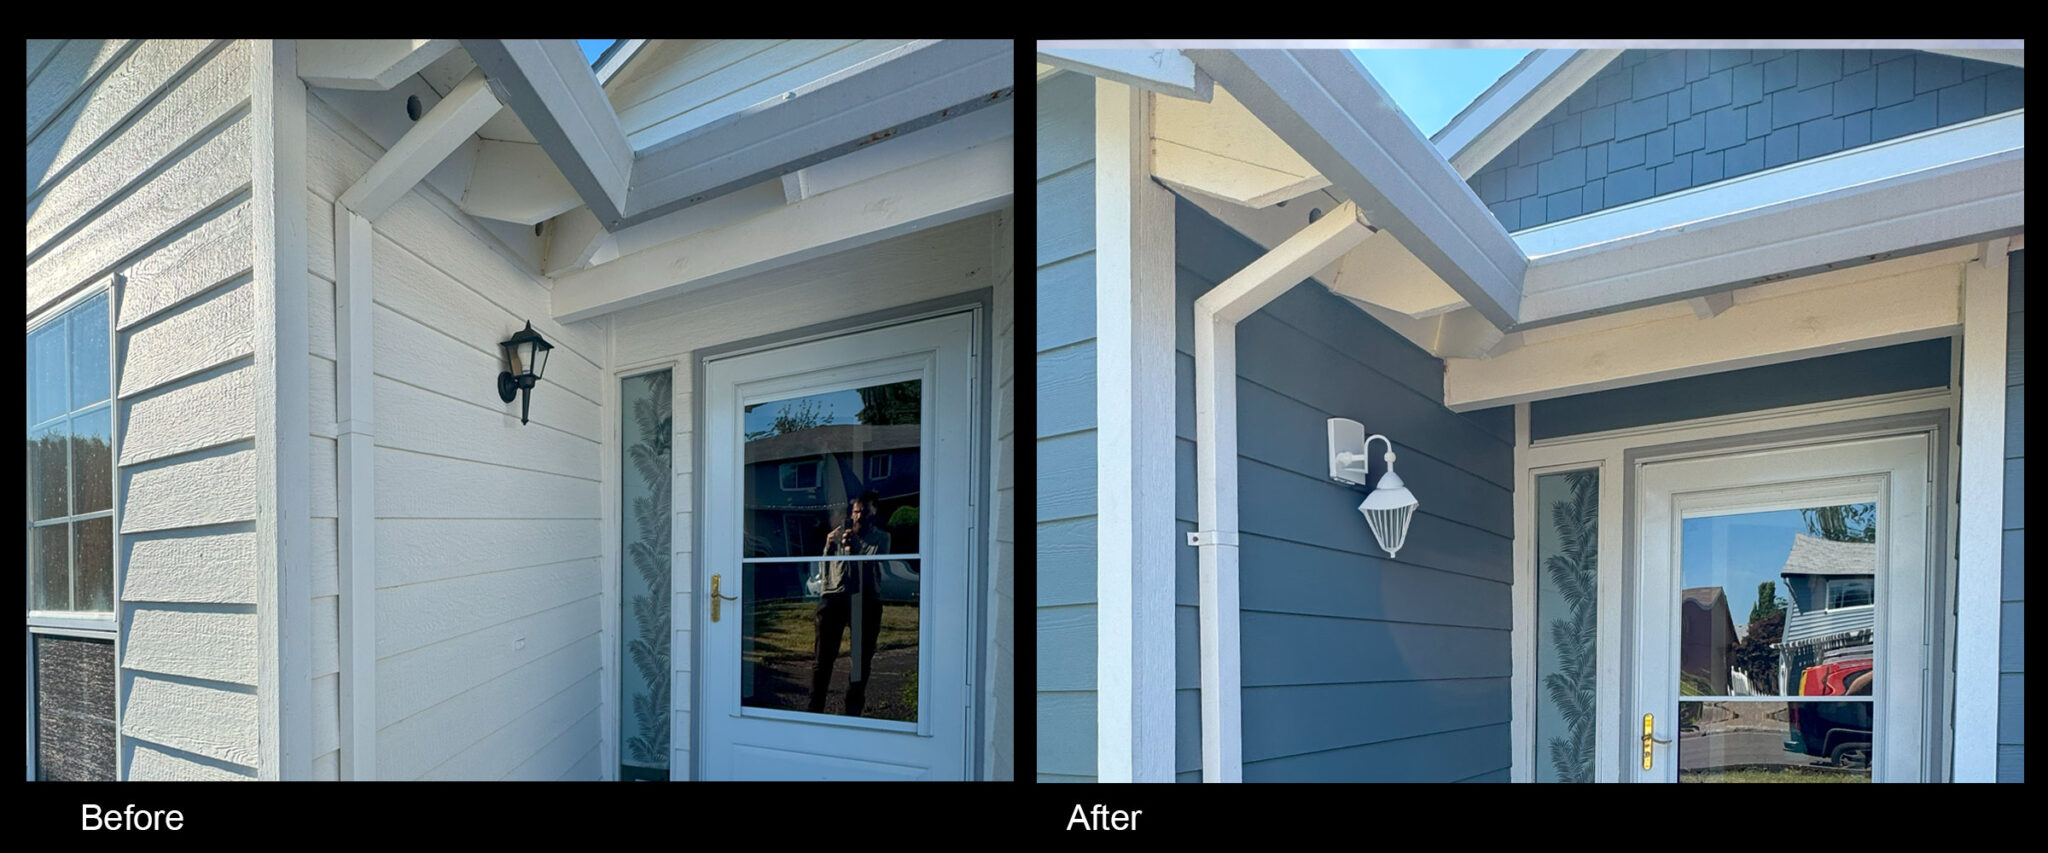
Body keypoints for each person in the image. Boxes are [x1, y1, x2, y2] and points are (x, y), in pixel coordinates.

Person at [809, 491, 890, 716]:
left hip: (866, 600)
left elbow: (876, 564)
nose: (858, 517)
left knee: (861, 661)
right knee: (822, 659)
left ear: (874, 513)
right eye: (855, 512)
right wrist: (828, 545)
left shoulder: (881, 538)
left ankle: (853, 712)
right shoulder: (839, 536)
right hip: (834, 598)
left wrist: (856, 549)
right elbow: (825, 569)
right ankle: (814, 709)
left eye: (864, 512)